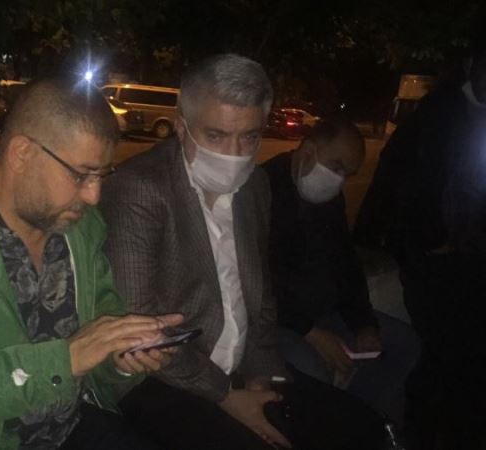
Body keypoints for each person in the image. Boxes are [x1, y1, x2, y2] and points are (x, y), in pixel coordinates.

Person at [101, 53, 385, 450]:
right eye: (216, 136)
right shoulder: (140, 189)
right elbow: (143, 330)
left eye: (249, 137)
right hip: (161, 377)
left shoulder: (255, 187)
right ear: (181, 127)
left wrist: (262, 376)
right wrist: (226, 396)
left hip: (241, 367)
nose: (234, 154)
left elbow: (260, 297)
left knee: (363, 428)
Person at [0, 76, 182, 450]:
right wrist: (65, 360)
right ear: (21, 154)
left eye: (101, 175)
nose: (94, 196)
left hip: (70, 426)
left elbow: (100, 334)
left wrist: (121, 358)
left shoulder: (79, 227)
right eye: (80, 175)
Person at [354, 38, 486, 450]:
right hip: (433, 256)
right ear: (471, 66)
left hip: (466, 255)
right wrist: (435, 238)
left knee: (465, 353)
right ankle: (425, 433)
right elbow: (407, 180)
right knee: (440, 351)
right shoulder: (441, 112)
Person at [263, 118, 419, 426]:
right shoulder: (262, 189)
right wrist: (310, 332)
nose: (339, 180)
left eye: (348, 174)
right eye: (336, 166)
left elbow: (346, 265)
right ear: (308, 149)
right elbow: (257, 279)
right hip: (277, 322)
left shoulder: (329, 199)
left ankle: (363, 424)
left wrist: (364, 324)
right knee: (312, 369)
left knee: (405, 344)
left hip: (325, 315)